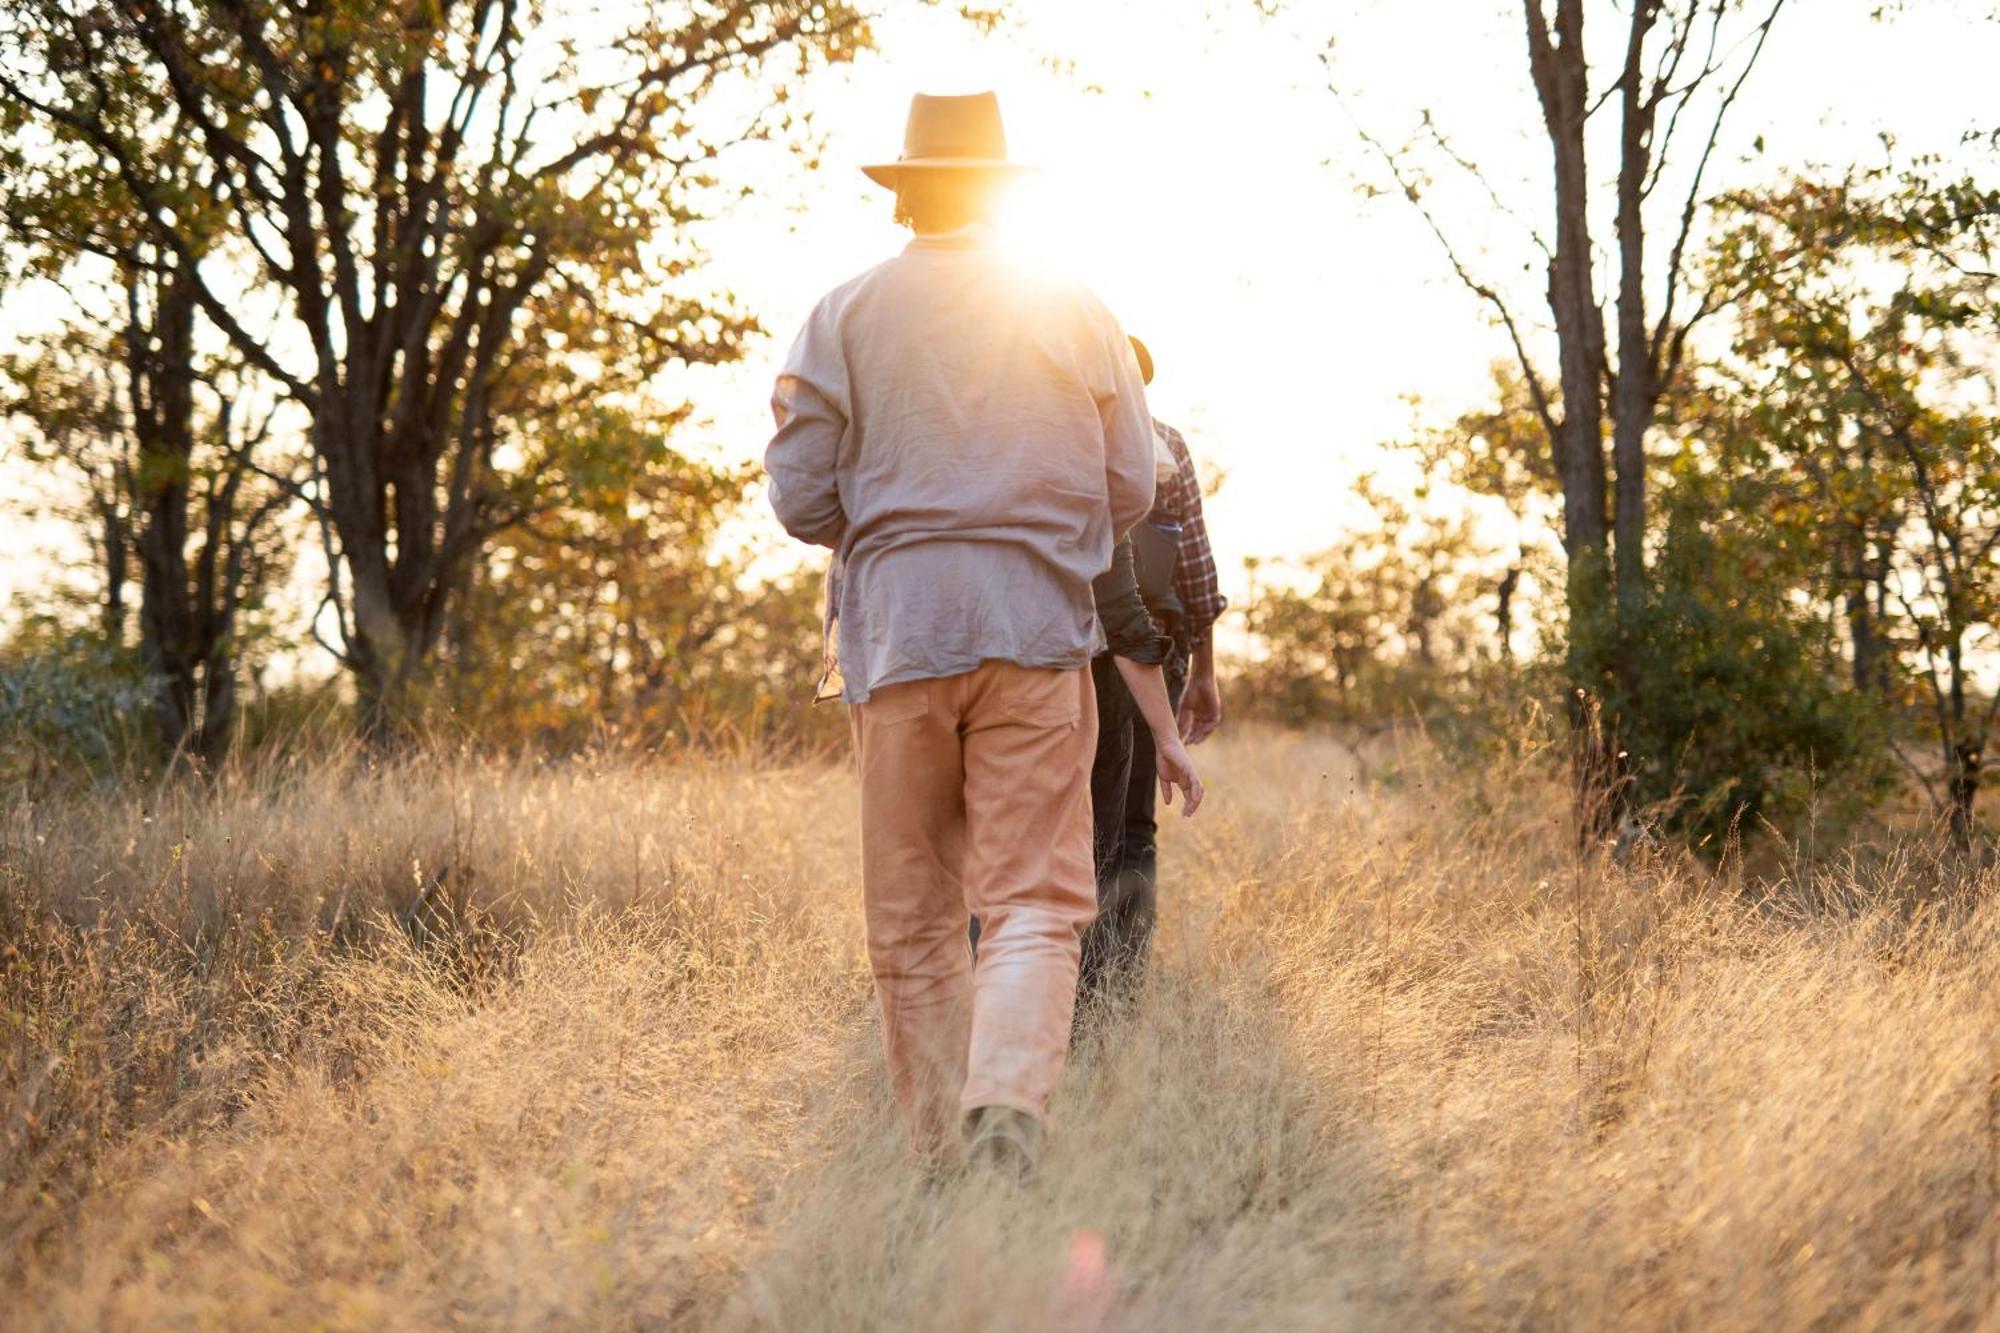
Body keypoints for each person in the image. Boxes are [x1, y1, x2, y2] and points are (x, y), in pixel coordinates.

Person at [763, 91, 1201, 1178]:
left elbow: (798, 497)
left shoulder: (840, 315)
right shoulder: (1075, 311)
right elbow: (1134, 482)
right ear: (1002, 197)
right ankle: (1004, 1103)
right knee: (1036, 901)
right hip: (1036, 639)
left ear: (905, 192)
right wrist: (1043, 519)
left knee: (911, 918)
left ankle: (935, 1162)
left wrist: (898, 514)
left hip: (896, 643)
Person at [1076, 336, 1227, 1011]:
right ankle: (1116, 991)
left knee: (1070, 818)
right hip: (1156, 651)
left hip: (1079, 646)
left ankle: (1062, 987)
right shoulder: (1165, 443)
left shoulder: (1062, 435)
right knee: (1135, 826)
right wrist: (1204, 671)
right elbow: (1196, 569)